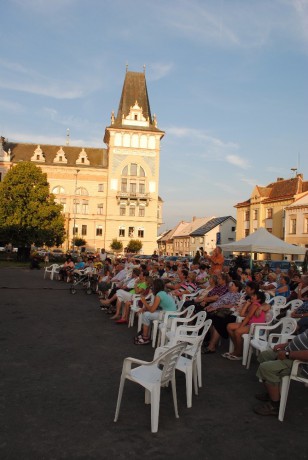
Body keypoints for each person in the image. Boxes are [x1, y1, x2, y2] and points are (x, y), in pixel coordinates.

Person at [253, 329, 308, 416]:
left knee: (266, 369)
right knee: (265, 355)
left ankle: (274, 406)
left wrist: (288, 354)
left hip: (300, 365)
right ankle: (272, 393)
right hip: (290, 354)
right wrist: (284, 345)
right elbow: (300, 339)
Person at [226, 291, 267, 360]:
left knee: (237, 332)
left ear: (258, 299)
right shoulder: (252, 304)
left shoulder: (255, 304)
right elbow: (242, 314)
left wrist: (241, 326)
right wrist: (247, 304)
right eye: (252, 295)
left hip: (256, 327)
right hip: (250, 324)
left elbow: (248, 317)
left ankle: (239, 353)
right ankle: (238, 348)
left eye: (254, 296)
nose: (251, 296)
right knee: (229, 326)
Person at [134, 279, 177, 345]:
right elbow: (154, 307)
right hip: (170, 314)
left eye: (153, 286)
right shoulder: (163, 293)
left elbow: (152, 310)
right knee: (147, 313)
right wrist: (144, 309)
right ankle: (144, 333)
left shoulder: (159, 295)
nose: (152, 287)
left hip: (168, 316)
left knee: (146, 315)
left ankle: (145, 337)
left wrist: (144, 302)